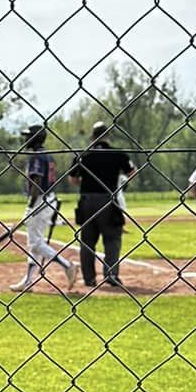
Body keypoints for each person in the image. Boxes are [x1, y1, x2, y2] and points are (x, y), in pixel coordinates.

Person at [68, 119, 136, 289]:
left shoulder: (83, 155)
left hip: (87, 200)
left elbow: (72, 179)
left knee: (87, 241)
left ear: (93, 137)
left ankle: (89, 278)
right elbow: (132, 172)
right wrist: (119, 181)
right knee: (112, 238)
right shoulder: (118, 154)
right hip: (108, 199)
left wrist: (85, 182)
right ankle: (111, 275)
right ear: (108, 136)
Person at [17, 122, 76, 289]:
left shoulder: (37, 156)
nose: (25, 139)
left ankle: (67, 266)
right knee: (35, 242)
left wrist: (30, 206)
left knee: (35, 243)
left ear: (35, 139)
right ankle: (28, 281)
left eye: (28, 137)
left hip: (39, 200)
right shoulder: (48, 155)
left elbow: (36, 181)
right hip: (49, 198)